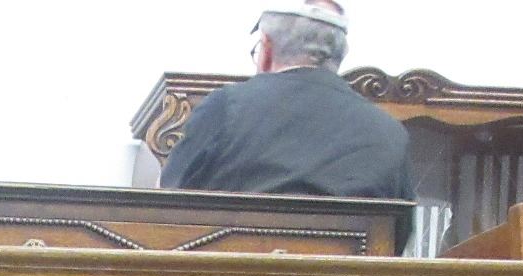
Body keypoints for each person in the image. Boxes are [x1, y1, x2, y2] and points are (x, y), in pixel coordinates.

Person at [161, 3, 415, 234]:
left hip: (227, 269)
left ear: (266, 49)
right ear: (341, 55)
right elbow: (398, 239)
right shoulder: (389, 132)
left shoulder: (225, 107)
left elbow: (164, 207)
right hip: (342, 271)